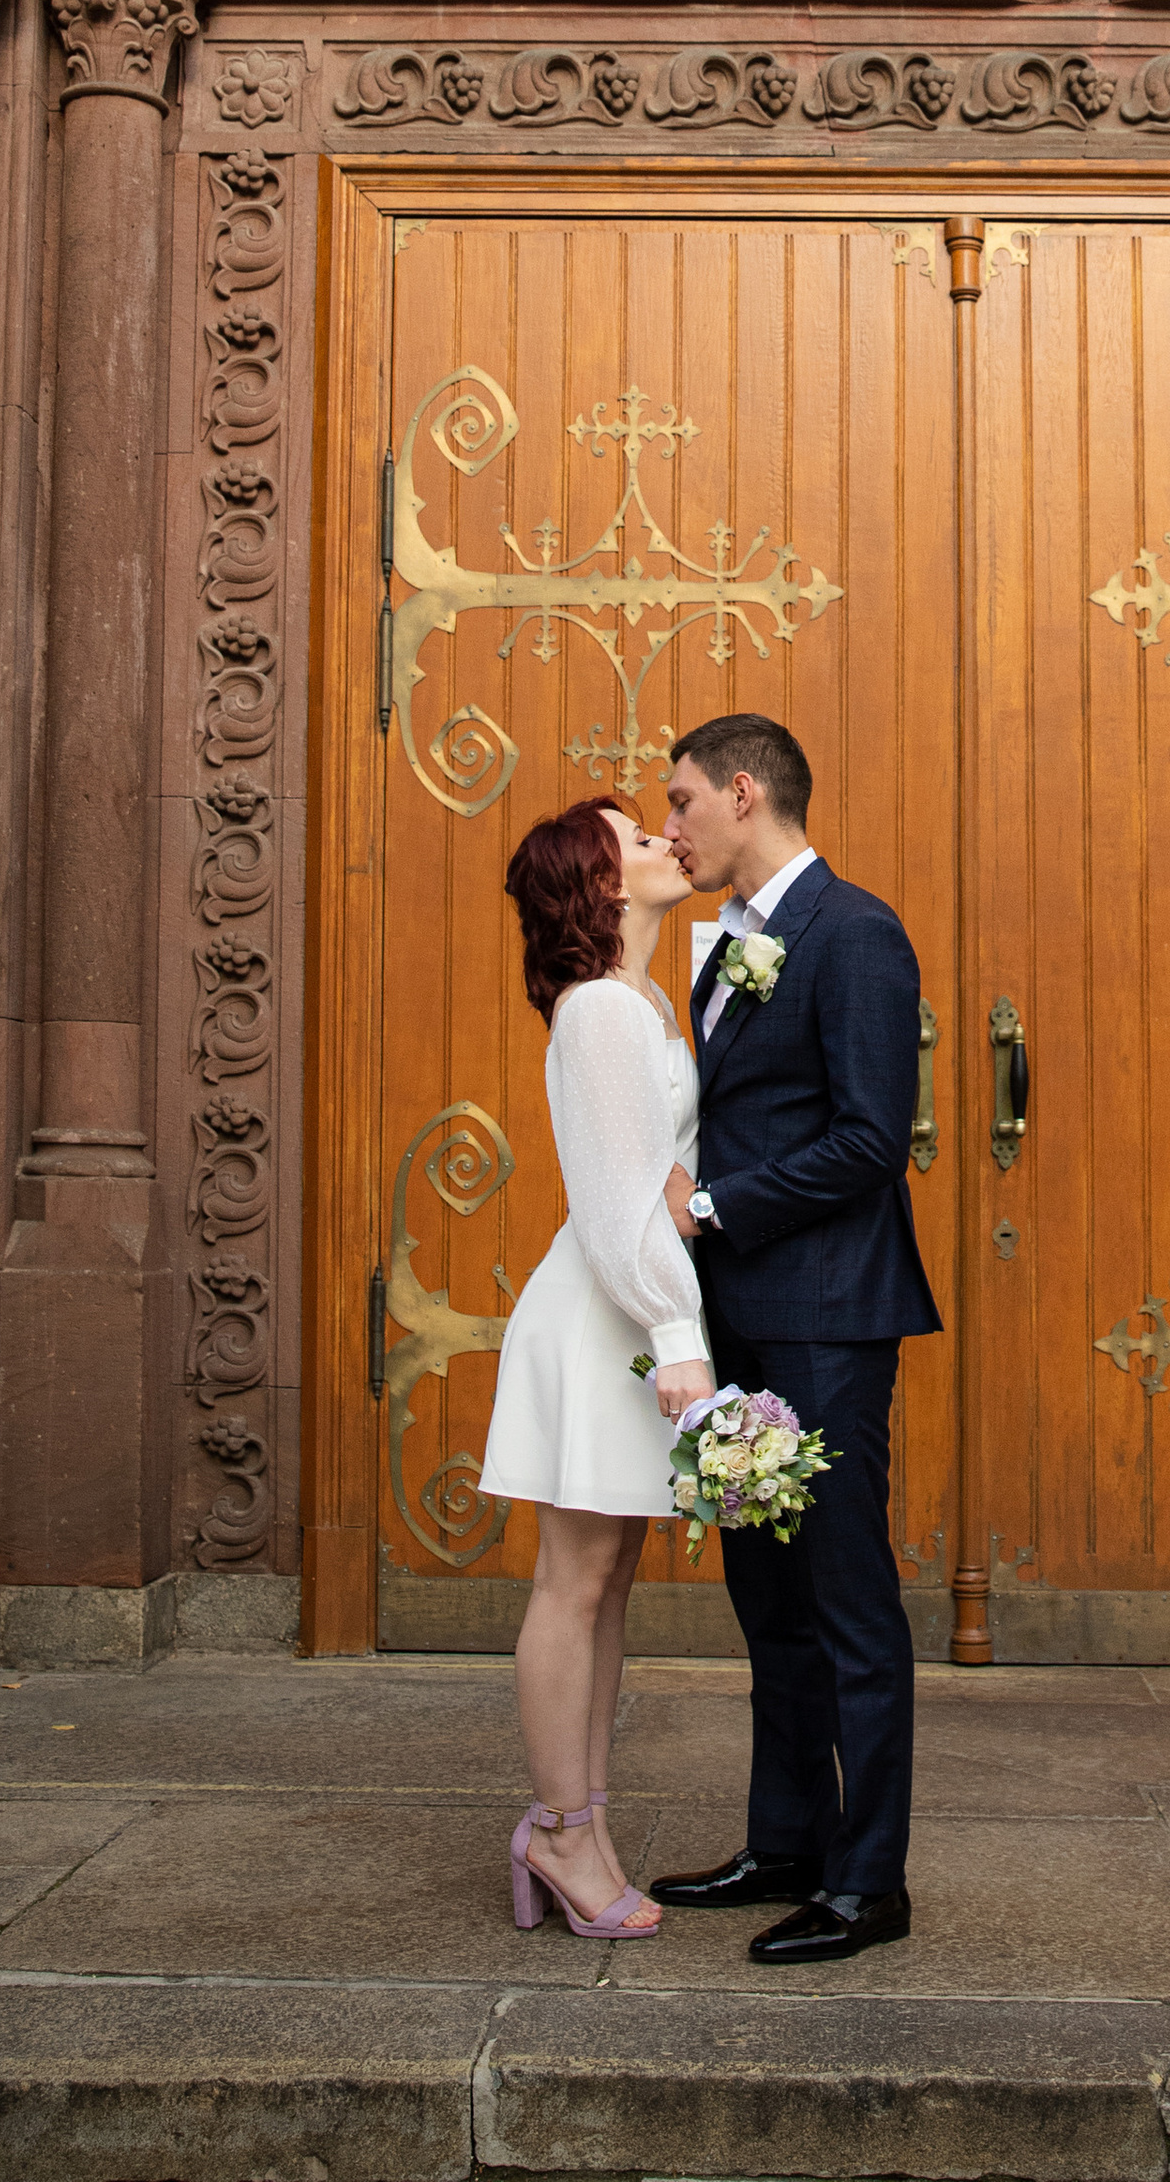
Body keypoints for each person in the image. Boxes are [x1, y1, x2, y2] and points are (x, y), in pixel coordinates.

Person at [646, 711, 941, 1962]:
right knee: (768, 1601)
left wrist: (707, 1206)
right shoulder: (730, 949)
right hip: (743, 1321)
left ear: (744, 791)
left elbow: (874, 1140)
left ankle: (869, 1882)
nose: (669, 827)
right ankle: (787, 1841)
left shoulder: (856, 933)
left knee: (846, 1598)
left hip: (828, 1320)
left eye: (679, 802)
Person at [477, 797, 711, 1940]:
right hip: (604, 1314)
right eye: (638, 838)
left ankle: (586, 1819)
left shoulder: (643, 998)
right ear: (601, 883)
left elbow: (656, 1174)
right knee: (572, 1583)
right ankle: (561, 1830)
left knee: (606, 1581)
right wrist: (679, 1338)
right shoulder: (606, 1011)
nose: (668, 840)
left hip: (632, 1303)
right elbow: (618, 1210)